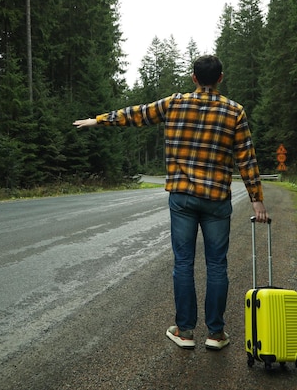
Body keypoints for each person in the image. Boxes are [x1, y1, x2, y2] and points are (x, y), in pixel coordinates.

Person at [73, 55, 268, 350]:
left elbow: (136, 113)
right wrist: (256, 200)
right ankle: (216, 334)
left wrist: (98, 120)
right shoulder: (234, 111)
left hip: (182, 197)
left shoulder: (174, 103)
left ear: (193, 78)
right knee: (217, 265)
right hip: (216, 199)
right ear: (220, 78)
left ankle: (185, 331)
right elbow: (246, 158)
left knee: (184, 263)